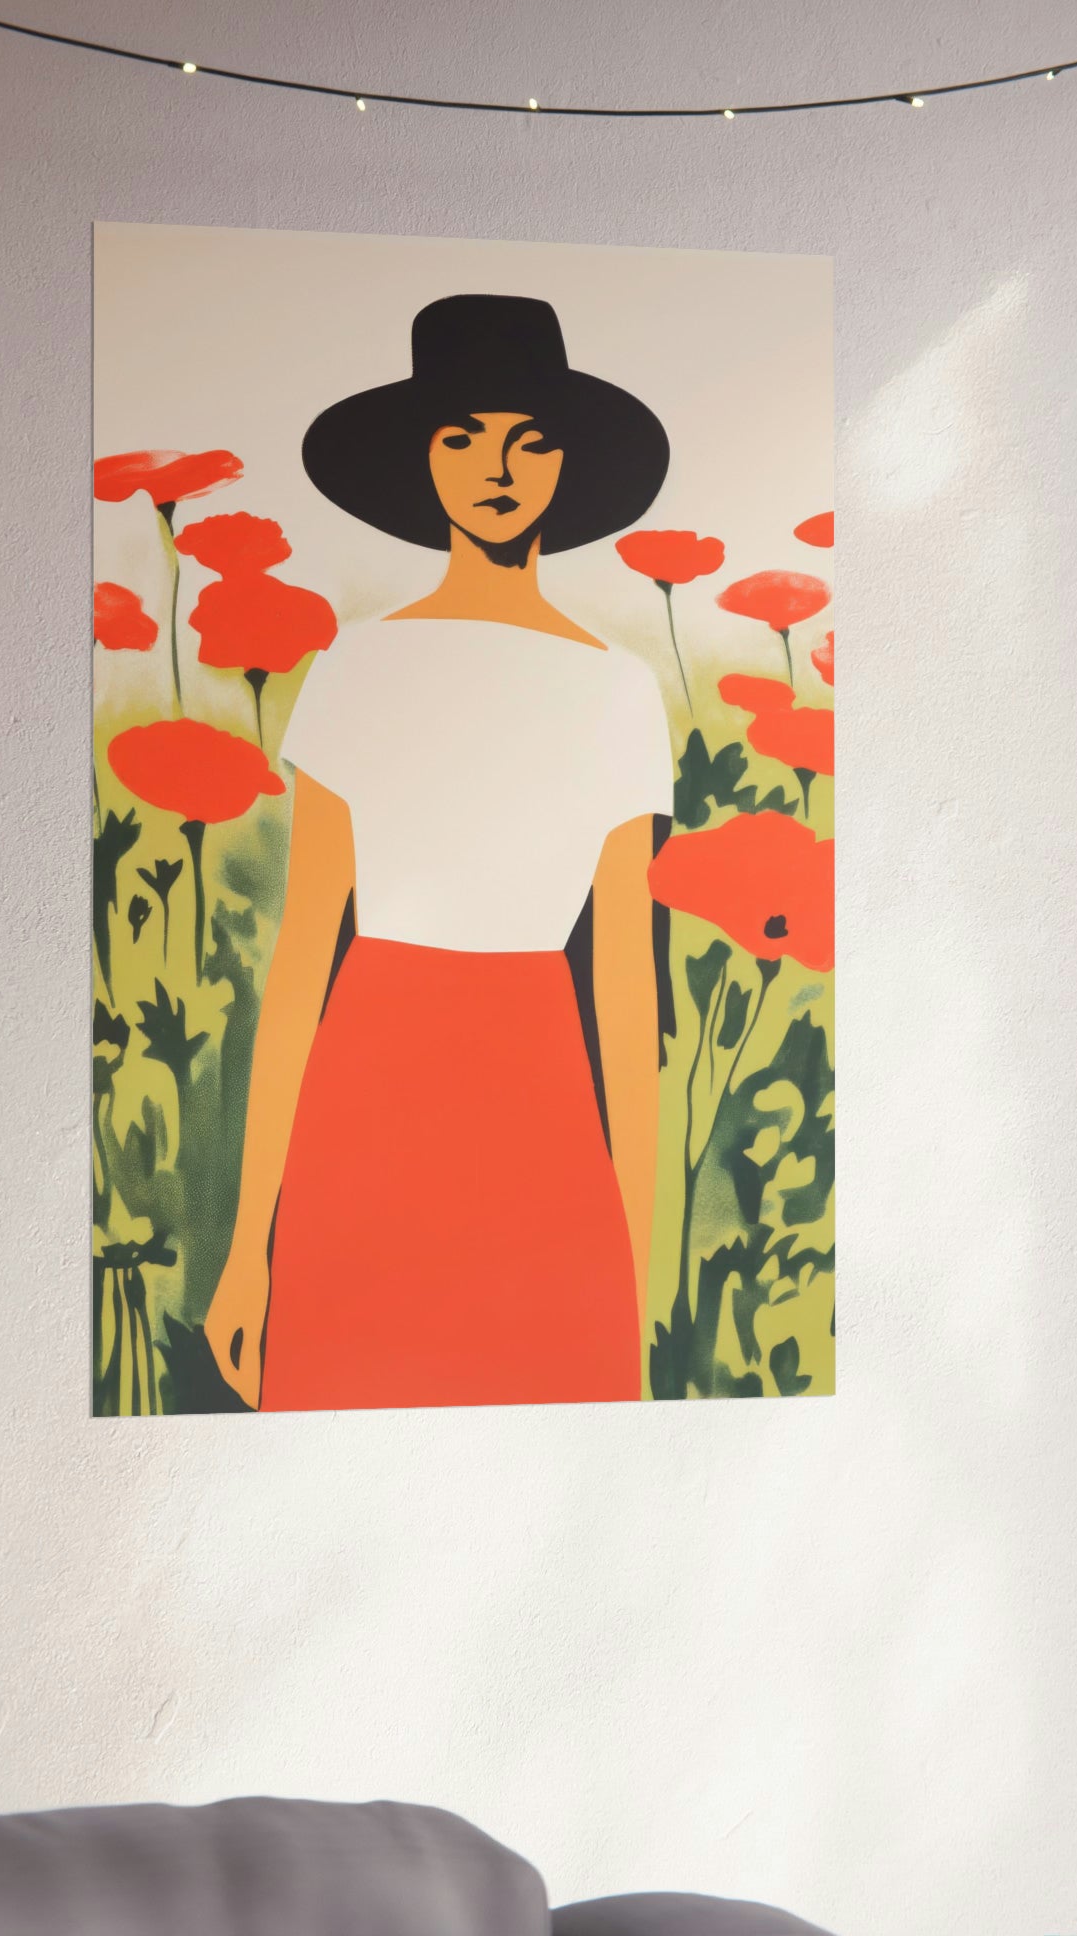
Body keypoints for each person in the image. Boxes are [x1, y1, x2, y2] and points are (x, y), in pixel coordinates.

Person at [204, 294, 674, 1410]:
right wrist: (244, 1245)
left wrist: (638, 1266)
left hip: (541, 1101)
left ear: (565, 463)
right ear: (422, 461)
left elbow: (623, 989)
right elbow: (298, 962)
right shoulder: (357, 668)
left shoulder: (616, 687)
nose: (496, 467)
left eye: (528, 439)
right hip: (363, 1097)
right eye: (462, 436)